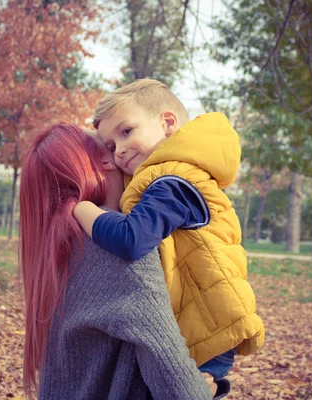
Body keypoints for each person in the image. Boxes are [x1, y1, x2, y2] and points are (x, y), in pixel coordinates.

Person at [73, 79, 265, 385]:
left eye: (126, 132)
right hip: (197, 321)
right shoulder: (158, 176)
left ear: (167, 124)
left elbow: (133, 239)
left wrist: (82, 209)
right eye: (111, 145)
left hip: (207, 329)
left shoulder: (174, 182)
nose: (119, 151)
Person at [18, 123, 217, 400]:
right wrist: (206, 389)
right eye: (111, 146)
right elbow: (178, 386)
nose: (123, 152)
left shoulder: (58, 251)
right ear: (104, 161)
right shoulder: (120, 251)